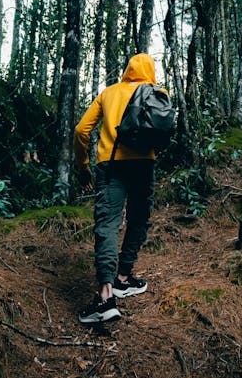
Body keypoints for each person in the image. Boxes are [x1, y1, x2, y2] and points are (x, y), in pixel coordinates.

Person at [74, 53, 165, 323]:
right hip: (144, 166)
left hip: (111, 167)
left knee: (108, 225)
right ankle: (124, 277)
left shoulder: (109, 93)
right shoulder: (157, 93)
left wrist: (83, 166)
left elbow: (81, 130)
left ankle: (106, 298)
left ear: (127, 69)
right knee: (138, 219)